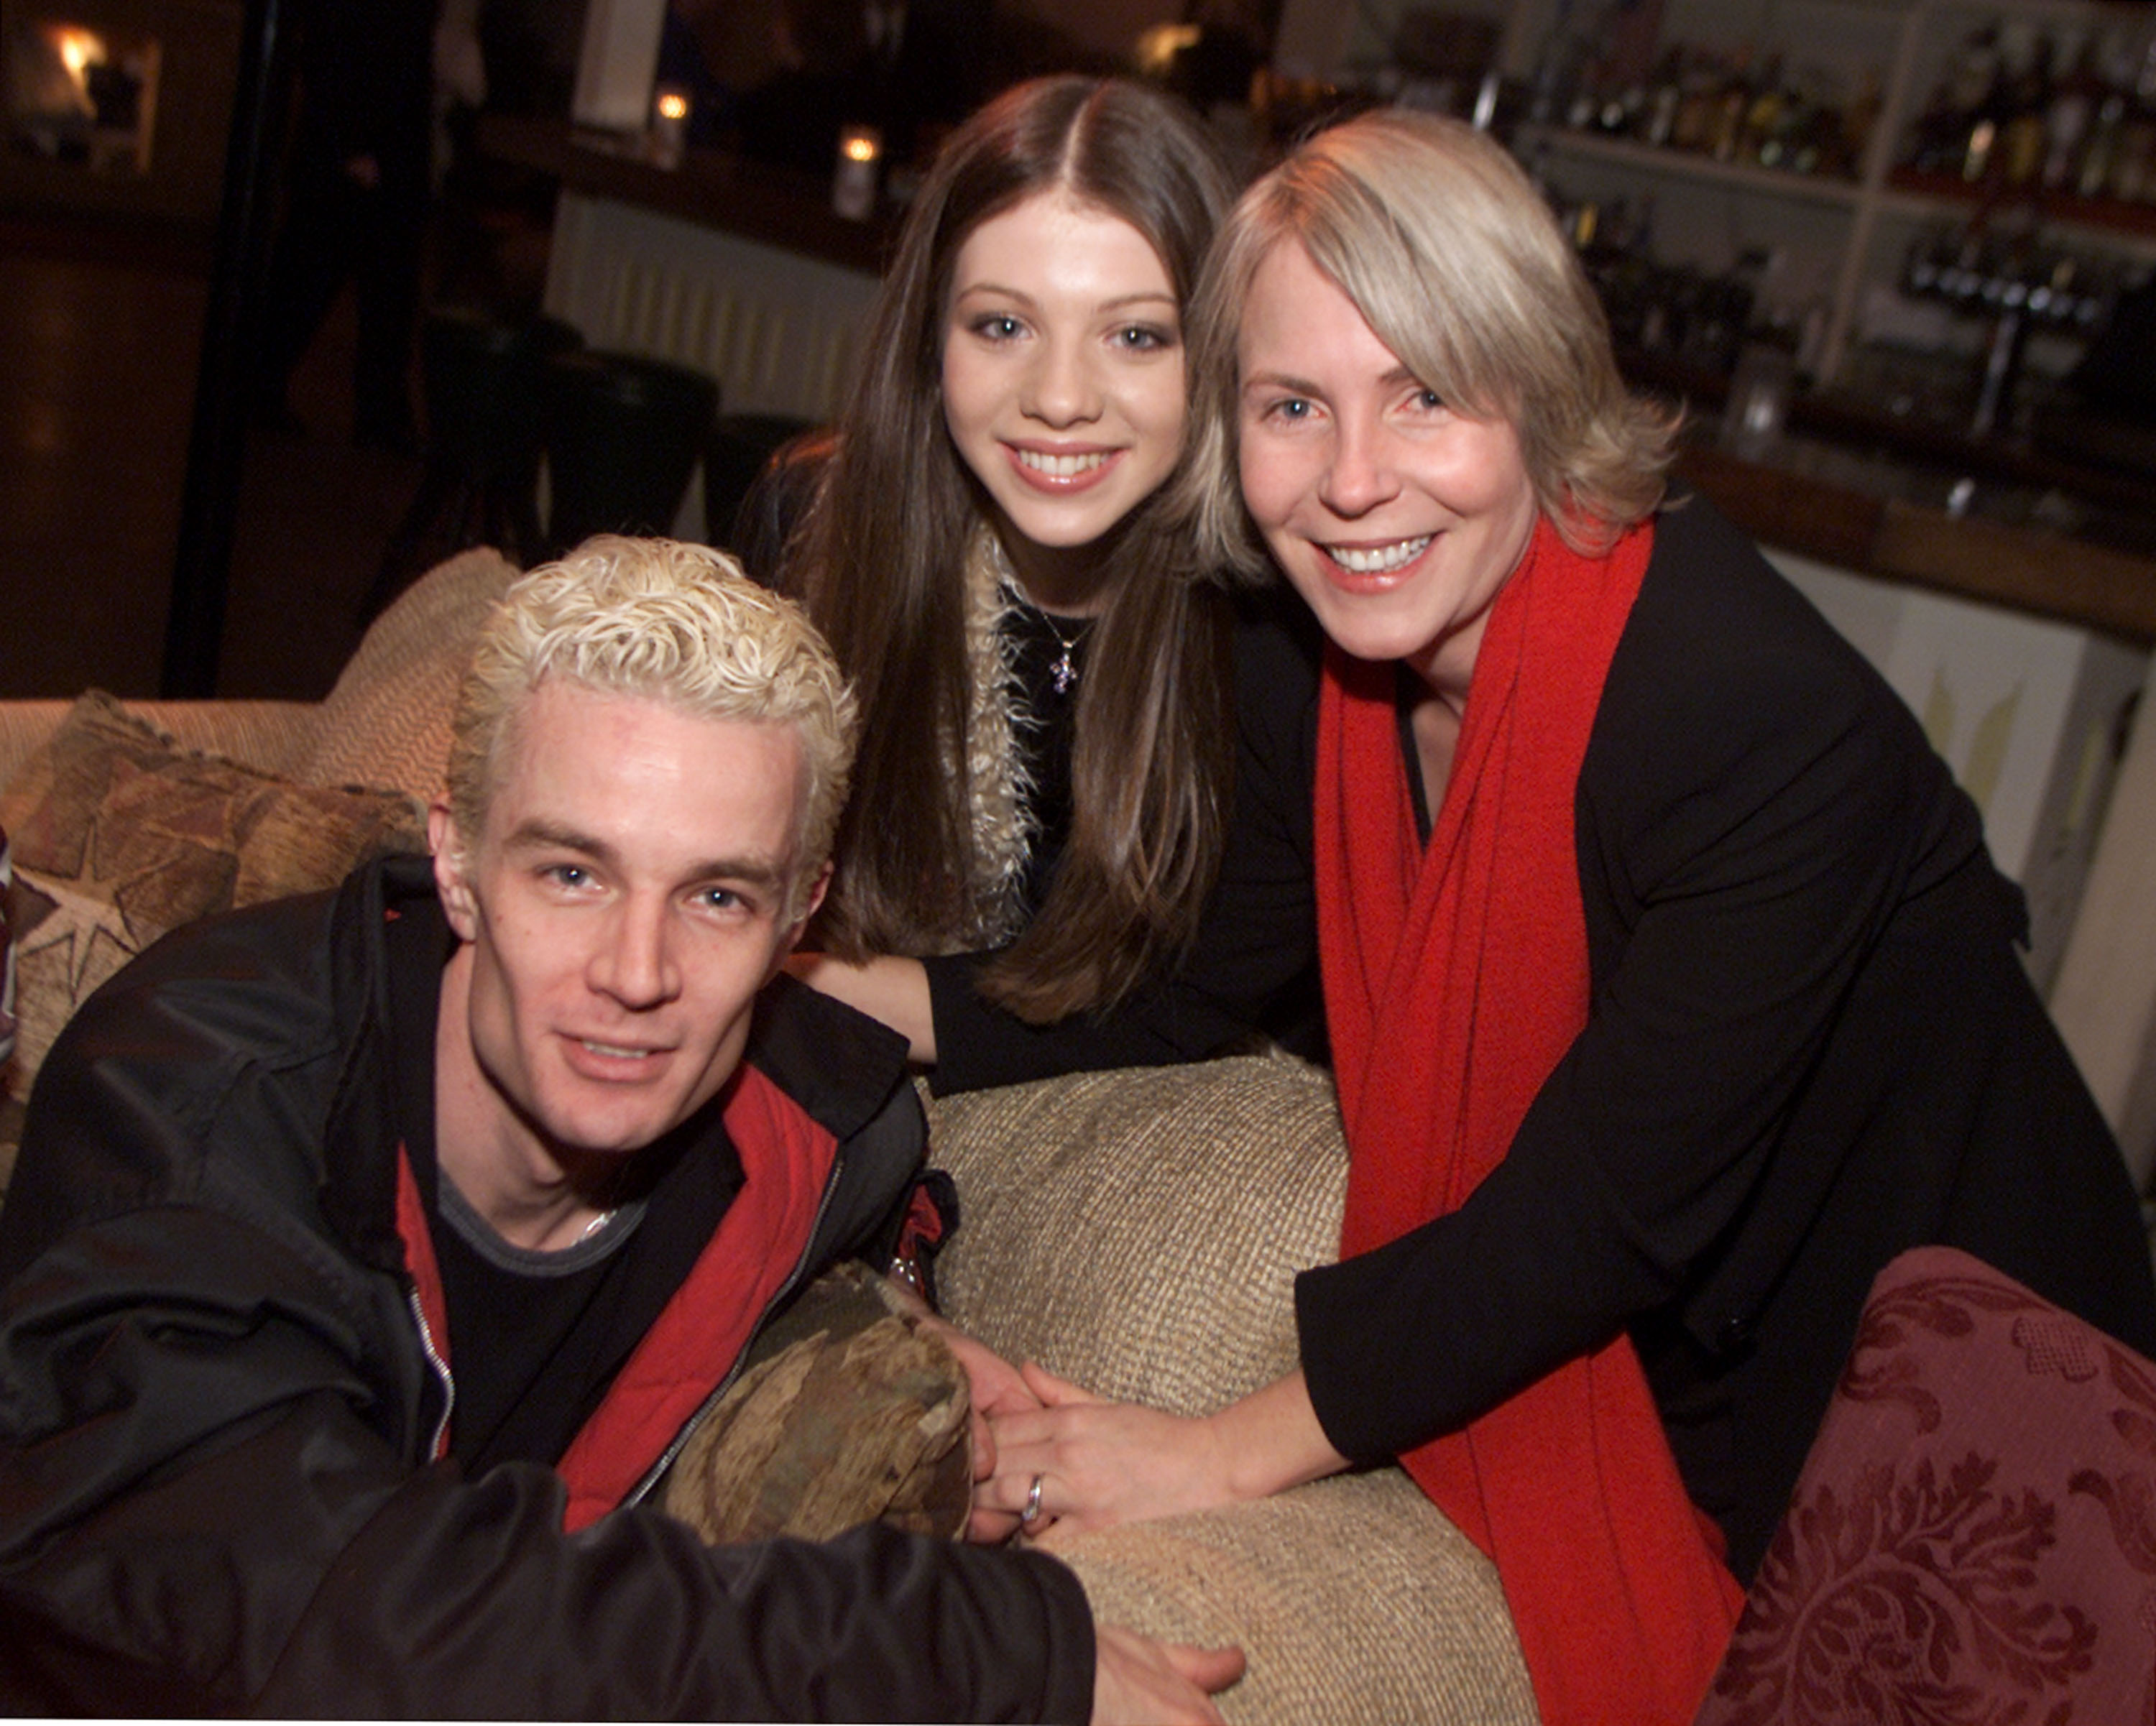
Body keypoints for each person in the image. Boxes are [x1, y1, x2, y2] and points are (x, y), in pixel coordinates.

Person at [976, 111, 2156, 1725]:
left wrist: (1200, 1452)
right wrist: (867, 1001)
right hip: (1687, 1370)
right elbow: (1192, 988)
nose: (1353, 480)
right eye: (1292, 406)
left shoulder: (1753, 718)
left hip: (1964, 1396)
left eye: (1426, 396)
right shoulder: (1306, 659)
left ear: (1538, 391)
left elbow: (1594, 1217)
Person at [0, 537, 1240, 1722]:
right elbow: (308, 1618)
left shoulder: (818, 1121)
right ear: (455, 862)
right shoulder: (187, 1108)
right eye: (572, 874)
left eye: (714, 895)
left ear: (794, 919)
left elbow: (874, 1163)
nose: (637, 972)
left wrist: (906, 1300)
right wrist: (991, 1651)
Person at [770, 74, 1323, 1082]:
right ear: (931, 345)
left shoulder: (1284, 643)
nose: (1060, 398)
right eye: (1004, 326)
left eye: (1136, 335)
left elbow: (1177, 1015)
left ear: (1221, 356)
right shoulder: (815, 537)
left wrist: (790, 985)